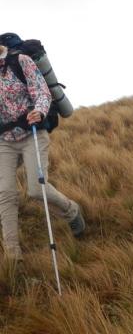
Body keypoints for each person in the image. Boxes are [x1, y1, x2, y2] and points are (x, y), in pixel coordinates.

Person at [0, 41, 85, 262]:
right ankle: (13, 254)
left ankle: (71, 211)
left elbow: (41, 92)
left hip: (33, 132)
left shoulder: (21, 61)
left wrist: (38, 111)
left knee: (36, 190)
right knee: (5, 194)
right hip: (4, 141)